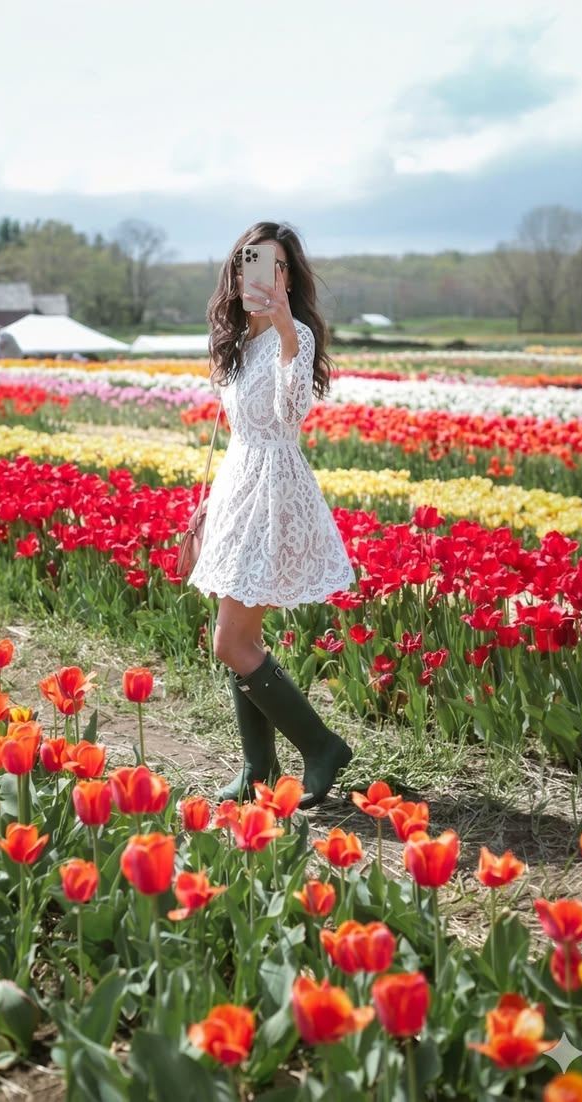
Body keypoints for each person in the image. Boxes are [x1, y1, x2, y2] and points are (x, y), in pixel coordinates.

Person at [189, 222, 354, 809]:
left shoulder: (297, 337)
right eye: (253, 263)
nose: (263, 275)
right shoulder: (234, 342)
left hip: (274, 492)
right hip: (238, 490)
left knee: (230, 642)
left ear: (289, 277)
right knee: (241, 636)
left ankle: (322, 747)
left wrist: (286, 331)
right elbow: (235, 430)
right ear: (237, 274)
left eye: (276, 266)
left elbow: (288, 417)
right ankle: (258, 769)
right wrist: (214, 501)